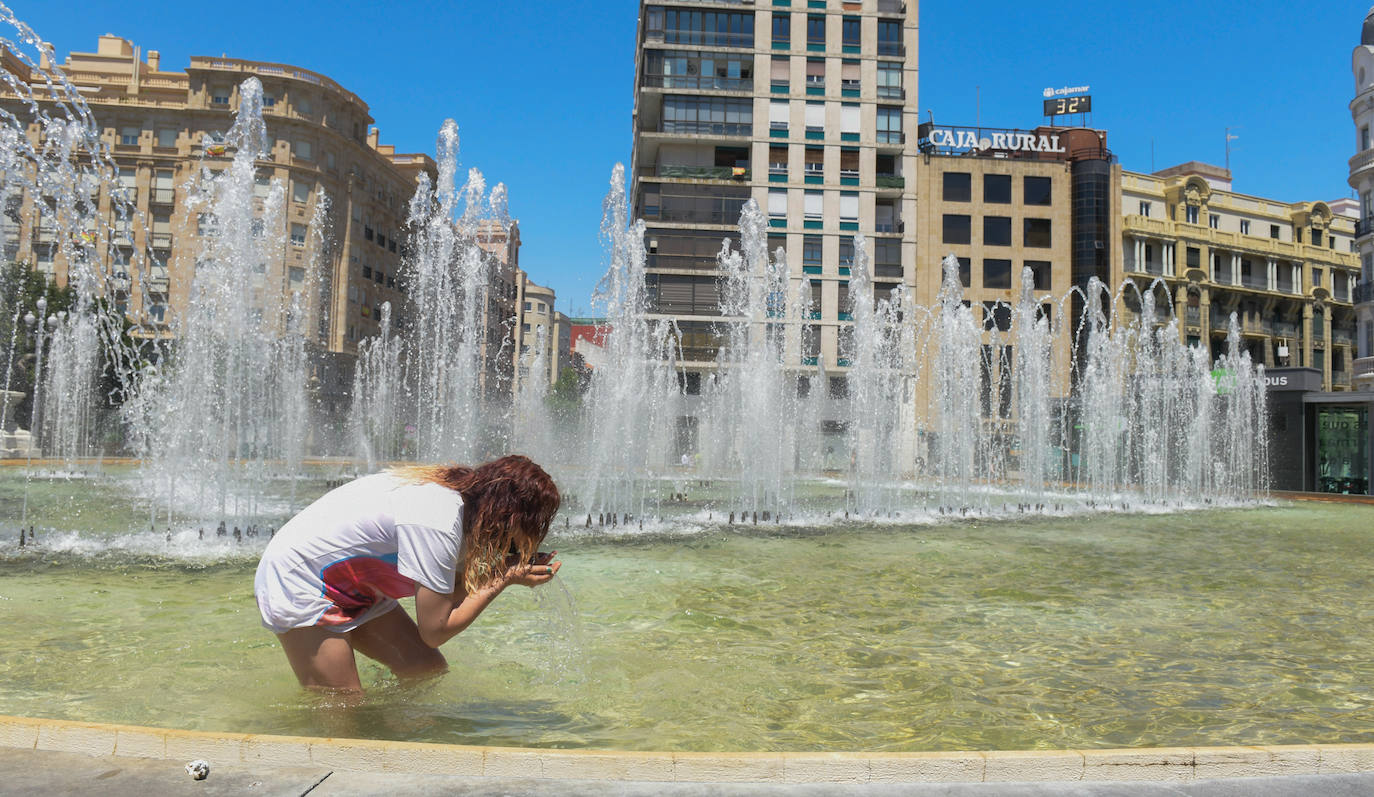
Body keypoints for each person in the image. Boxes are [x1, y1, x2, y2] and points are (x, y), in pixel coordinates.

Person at [254, 454, 562, 692]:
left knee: (424, 669)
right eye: (534, 524)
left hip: (353, 582)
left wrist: (502, 570)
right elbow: (435, 630)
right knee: (342, 702)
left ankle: (398, 740)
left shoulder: (461, 505)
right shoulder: (439, 521)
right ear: (510, 515)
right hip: (302, 577)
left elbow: (448, 596)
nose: (535, 535)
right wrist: (502, 578)